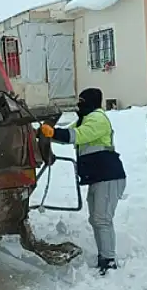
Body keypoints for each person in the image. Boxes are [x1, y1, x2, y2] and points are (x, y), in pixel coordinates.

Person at [40, 88, 126, 275]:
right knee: (96, 219)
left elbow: (77, 136)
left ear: (90, 102)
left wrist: (53, 133)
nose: (79, 105)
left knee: (102, 219)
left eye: (82, 101)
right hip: (98, 177)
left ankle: (109, 260)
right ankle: (104, 256)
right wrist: (48, 134)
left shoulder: (97, 118)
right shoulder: (85, 119)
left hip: (109, 176)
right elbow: (68, 135)